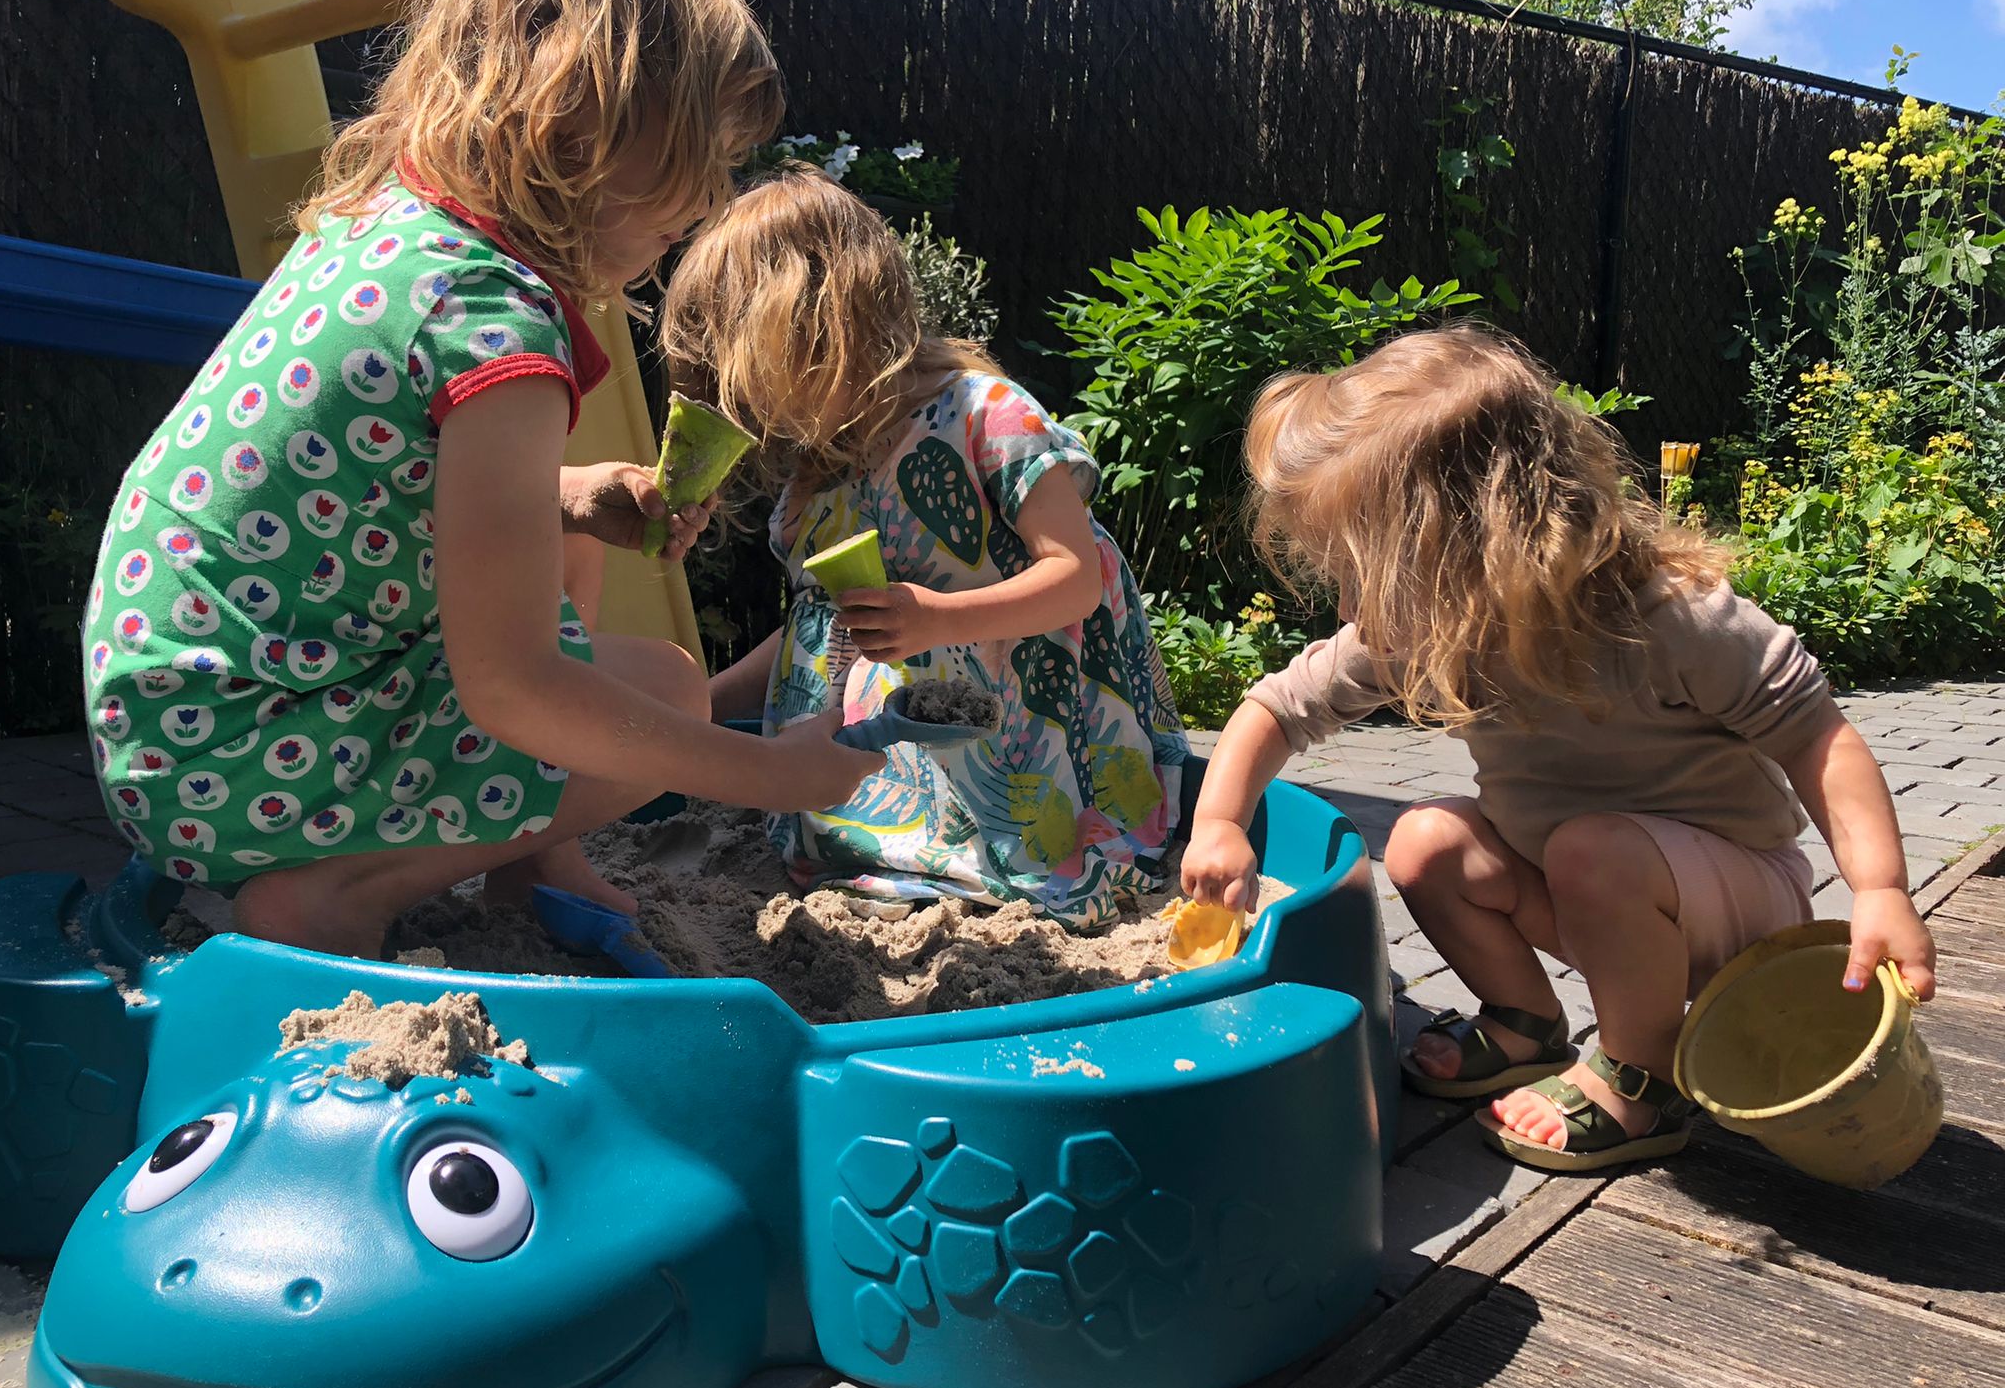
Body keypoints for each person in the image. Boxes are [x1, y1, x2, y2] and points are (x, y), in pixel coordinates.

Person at [81, 0, 880, 959]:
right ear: (585, 119)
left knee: (579, 553)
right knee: (669, 694)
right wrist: (771, 770)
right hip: (240, 763)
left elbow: (387, 489)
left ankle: (528, 856)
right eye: (701, 154)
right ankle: (335, 895)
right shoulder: (489, 321)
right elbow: (514, 687)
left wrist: (571, 493)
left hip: (187, 720)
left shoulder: (386, 230)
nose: (709, 198)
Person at [1181, 324, 1936, 1170]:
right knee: (1427, 841)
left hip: (1732, 908)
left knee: (1593, 849)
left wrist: (1880, 889)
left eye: (1371, 568)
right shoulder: (1426, 624)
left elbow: (1817, 736)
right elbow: (1276, 709)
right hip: (1587, 891)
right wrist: (1220, 822)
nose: (1355, 599)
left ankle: (1640, 1081)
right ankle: (1525, 1023)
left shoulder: (1669, 617)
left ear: (1474, 538)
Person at [664, 168, 1190, 927]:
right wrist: (702, 709)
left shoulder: (985, 418)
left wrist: (940, 617)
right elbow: (819, 632)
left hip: (1021, 741)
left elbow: (1075, 578)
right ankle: (878, 846)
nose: (751, 400)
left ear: (818, 324)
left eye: (754, 369)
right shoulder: (819, 481)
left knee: (1039, 866)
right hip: (894, 765)